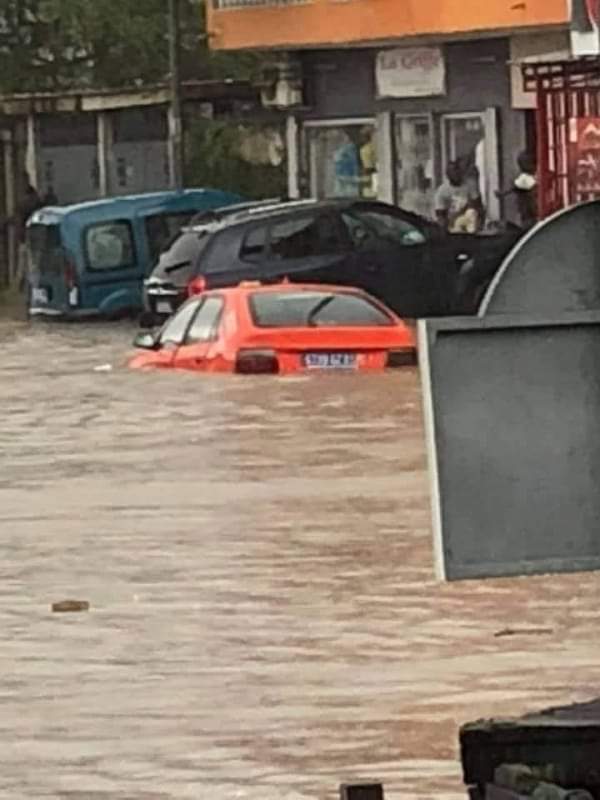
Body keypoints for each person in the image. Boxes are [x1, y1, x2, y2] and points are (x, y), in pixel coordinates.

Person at [434, 161, 484, 233]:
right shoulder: (442, 191)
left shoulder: (470, 184)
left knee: (471, 212)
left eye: (457, 170)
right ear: (448, 175)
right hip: (451, 224)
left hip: (470, 221)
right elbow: (440, 214)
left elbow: (478, 205)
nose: (456, 173)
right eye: (453, 171)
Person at [496, 151, 537, 229]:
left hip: (529, 206)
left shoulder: (526, 177)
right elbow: (514, 187)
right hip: (528, 207)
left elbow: (513, 187)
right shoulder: (526, 177)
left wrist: (502, 193)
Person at [333, 130, 360, 197]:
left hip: (348, 177)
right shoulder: (340, 150)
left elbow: (352, 162)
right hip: (343, 178)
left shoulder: (349, 148)